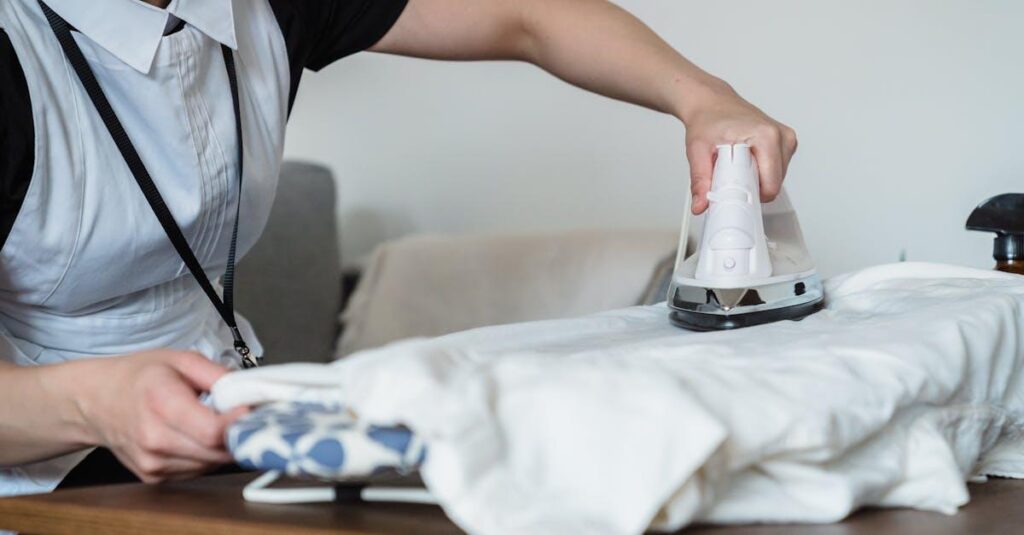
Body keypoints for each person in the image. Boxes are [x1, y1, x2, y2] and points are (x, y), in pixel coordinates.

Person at [0, 0, 798, 494]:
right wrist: (93, 401)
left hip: (220, 444)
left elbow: (528, 15)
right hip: (38, 475)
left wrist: (705, 100)